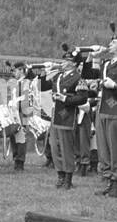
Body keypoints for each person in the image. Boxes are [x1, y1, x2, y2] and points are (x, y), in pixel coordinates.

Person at [83, 30, 117, 198]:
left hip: (115, 109)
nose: (110, 44)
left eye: (113, 43)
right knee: (103, 147)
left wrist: (115, 85)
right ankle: (107, 179)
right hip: (102, 108)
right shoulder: (106, 63)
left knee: (115, 147)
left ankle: (116, 184)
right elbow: (87, 75)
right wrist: (92, 57)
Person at [37, 47, 92, 190]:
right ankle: (60, 174)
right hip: (56, 115)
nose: (64, 62)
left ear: (74, 64)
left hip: (68, 115)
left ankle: (68, 177)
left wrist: (65, 98)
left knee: (67, 147)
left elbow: (82, 97)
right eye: (64, 59)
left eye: (67, 60)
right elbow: (44, 87)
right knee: (55, 146)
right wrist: (44, 74)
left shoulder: (78, 78)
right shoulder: (59, 75)